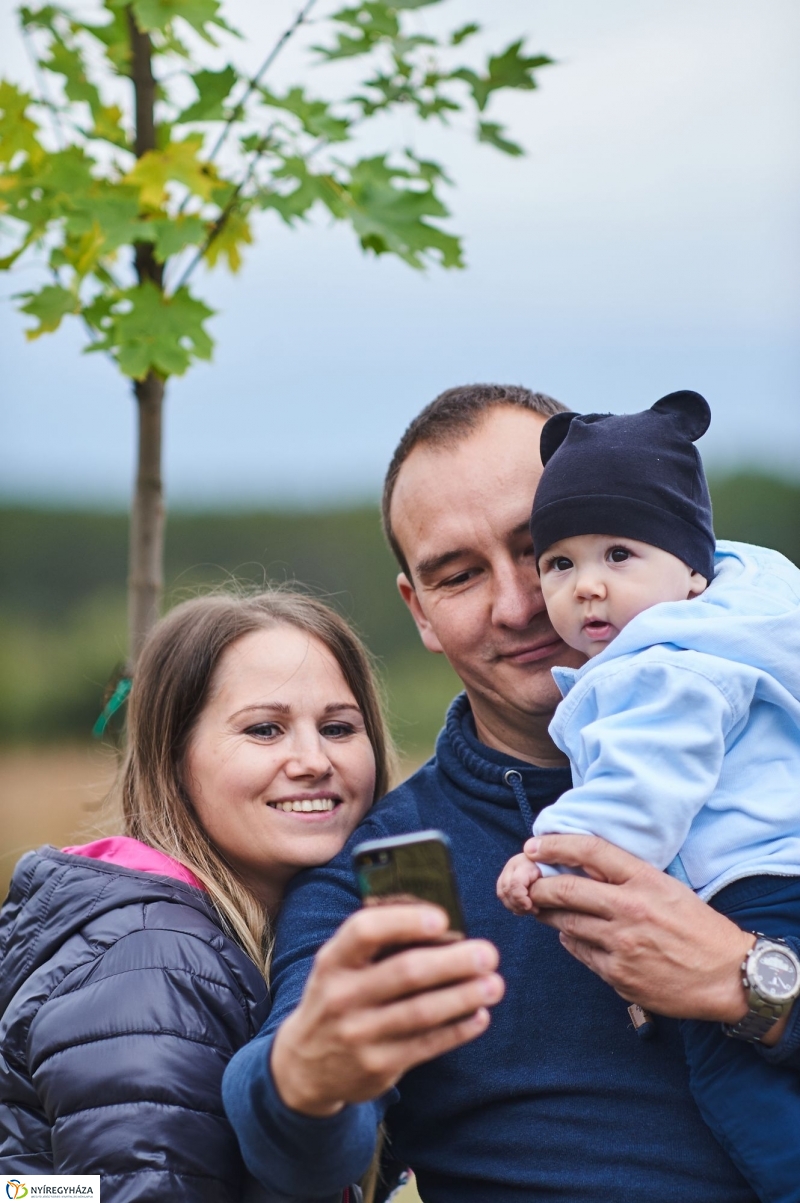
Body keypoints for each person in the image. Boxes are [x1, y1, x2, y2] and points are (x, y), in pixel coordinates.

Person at [223, 383, 798, 1203]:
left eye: (544, 549)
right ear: (418, 612)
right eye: (459, 576)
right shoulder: (387, 865)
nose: (523, 603)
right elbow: (300, 1149)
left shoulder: (782, 751)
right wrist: (305, 1075)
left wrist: (754, 984)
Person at [496, 390, 800, 1200]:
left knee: (738, 1084)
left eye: (619, 555)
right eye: (560, 563)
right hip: (774, 876)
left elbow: (641, 797)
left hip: (756, 896)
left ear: (693, 570)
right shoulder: (727, 628)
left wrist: (550, 854)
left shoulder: (663, 668)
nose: (587, 587)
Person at [0, 590, 393, 1201]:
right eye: (265, 730)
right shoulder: (156, 964)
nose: (314, 760)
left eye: (339, 727)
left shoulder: (250, 939)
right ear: (174, 758)